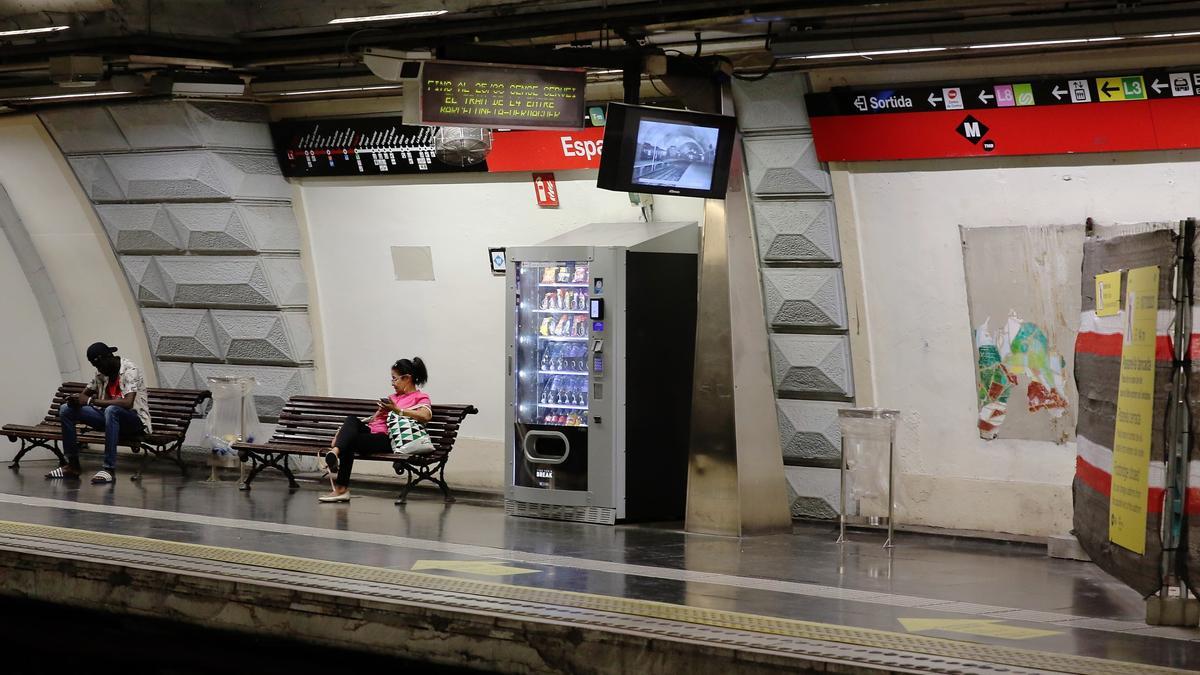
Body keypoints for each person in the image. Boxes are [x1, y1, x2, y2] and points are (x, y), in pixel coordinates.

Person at [320, 357, 432, 503]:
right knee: (352, 419)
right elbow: (374, 421)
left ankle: (341, 486)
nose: (392, 384)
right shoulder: (392, 397)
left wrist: (398, 410)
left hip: (387, 438)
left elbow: (426, 415)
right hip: (372, 432)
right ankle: (335, 453)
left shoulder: (420, 397)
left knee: (351, 442)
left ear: (407, 378)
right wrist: (380, 412)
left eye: (395, 379)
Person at [46, 342, 152, 484]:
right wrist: (75, 401)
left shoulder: (129, 369)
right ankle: (73, 465)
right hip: (109, 418)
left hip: (134, 422)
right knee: (66, 410)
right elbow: (84, 395)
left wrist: (90, 401)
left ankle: (109, 469)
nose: (98, 369)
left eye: (100, 365)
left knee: (112, 409)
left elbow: (128, 403)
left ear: (108, 358)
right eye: (96, 366)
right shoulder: (101, 373)